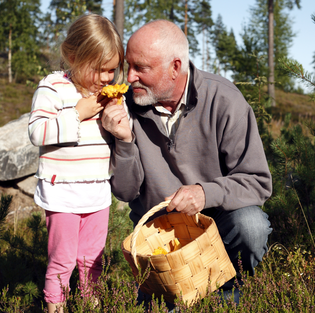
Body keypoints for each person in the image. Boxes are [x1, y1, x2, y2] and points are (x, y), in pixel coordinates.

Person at [101, 19, 272, 307]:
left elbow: (257, 181)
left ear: (175, 67)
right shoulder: (124, 107)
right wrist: (125, 142)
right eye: (127, 66)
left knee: (251, 225)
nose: (129, 77)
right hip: (159, 236)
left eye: (140, 68)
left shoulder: (225, 100)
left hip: (217, 223)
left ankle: (227, 289)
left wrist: (205, 193)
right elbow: (125, 192)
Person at [28, 14, 124, 313]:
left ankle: (90, 302)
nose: (107, 78)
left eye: (112, 70)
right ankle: (54, 304)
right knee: (64, 257)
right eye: (99, 69)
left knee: (92, 257)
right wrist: (77, 113)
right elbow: (36, 131)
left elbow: (112, 137)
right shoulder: (53, 88)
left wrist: (118, 121)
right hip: (63, 192)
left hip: (97, 189)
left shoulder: (106, 95)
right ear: (72, 56)